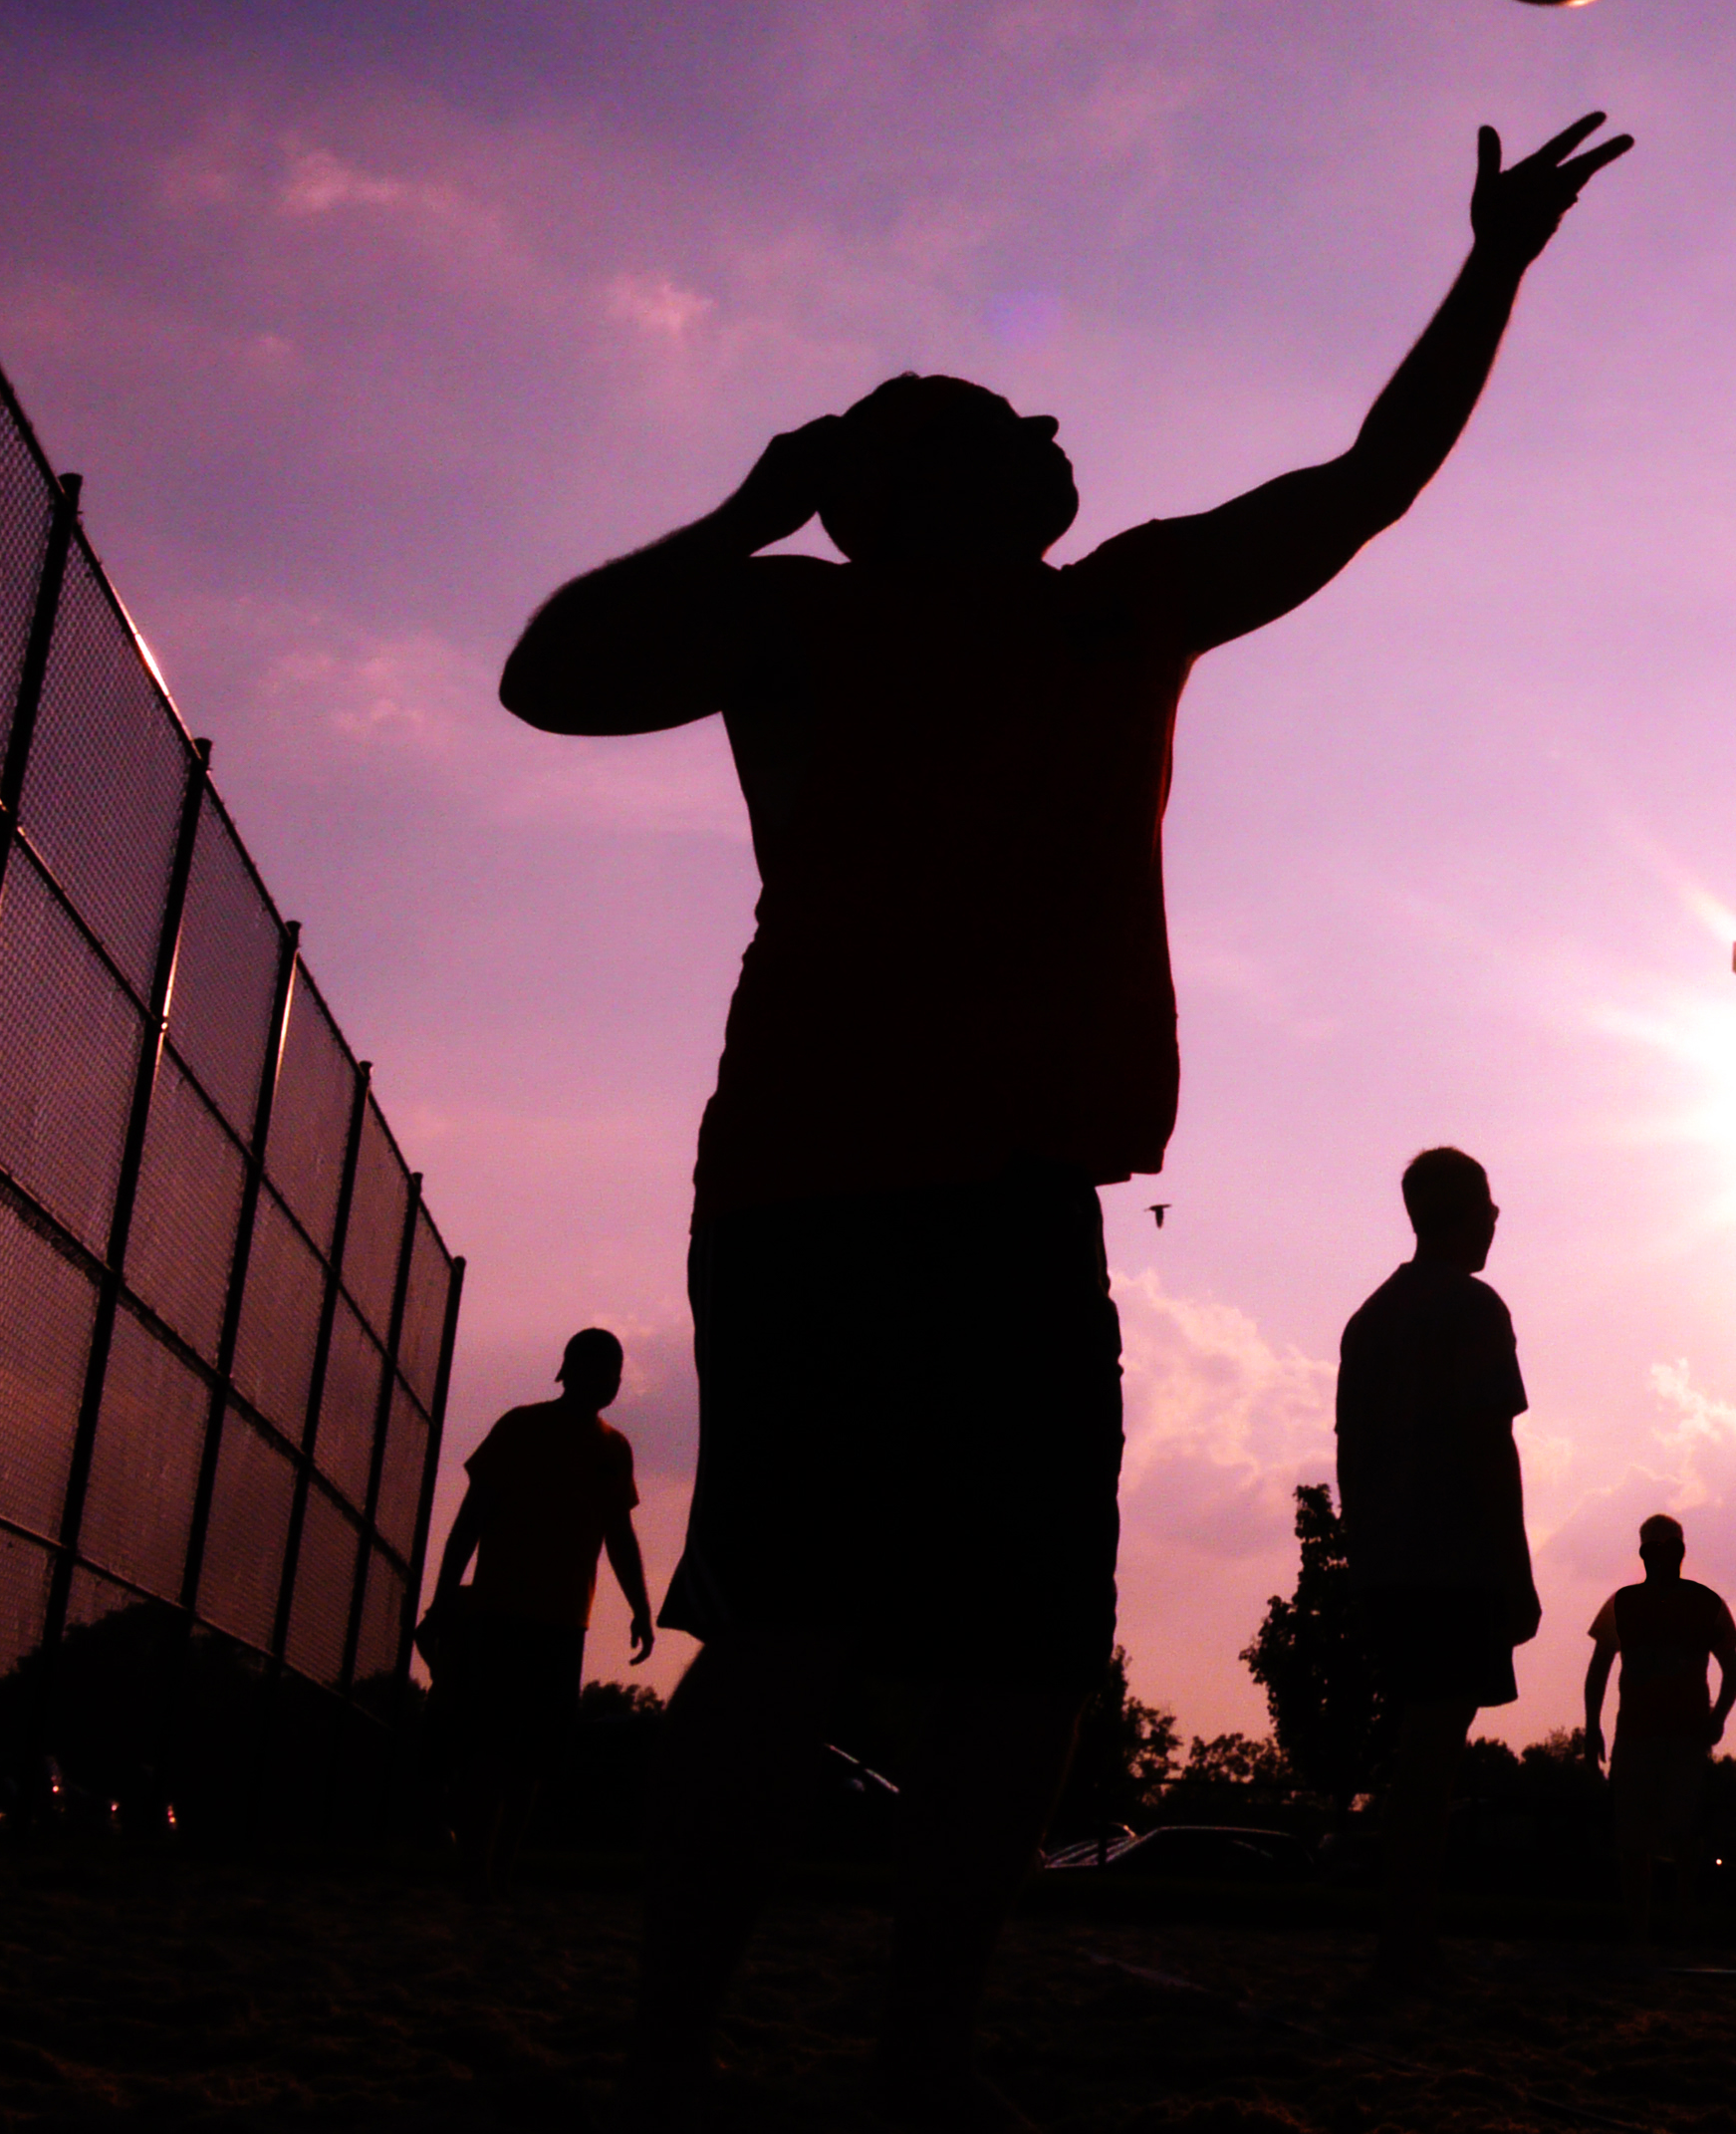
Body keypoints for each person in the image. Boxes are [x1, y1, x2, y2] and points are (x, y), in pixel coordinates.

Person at [499, 116, 1631, 2107]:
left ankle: (881, 2048)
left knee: (993, 1658)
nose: (1015, 414)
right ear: (893, 485)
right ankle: (681, 2053)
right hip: (830, 1187)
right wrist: (755, 504)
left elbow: (1368, 482)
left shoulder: (1104, 606)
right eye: (946, 412)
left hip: (958, 1192)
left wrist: (1490, 267)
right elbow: (546, 675)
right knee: (804, 1635)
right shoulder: (817, 615)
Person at [1335, 1145, 1541, 1992]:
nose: (1498, 1218)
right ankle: (1406, 1945)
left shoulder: (1371, 1318)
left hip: (1391, 1562)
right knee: (1431, 1758)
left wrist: (1364, 1553)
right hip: (1452, 1561)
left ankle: (1405, 1938)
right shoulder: (1472, 1309)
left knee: (1418, 1754)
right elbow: (1492, 1442)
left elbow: (1348, 1452)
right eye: (1487, 1203)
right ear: (1460, 1211)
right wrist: (1516, 1568)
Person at [425, 1327, 653, 1887]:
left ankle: (495, 1871)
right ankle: (477, 1868)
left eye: (614, 1368)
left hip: (565, 1620)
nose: (610, 1378)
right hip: (502, 1612)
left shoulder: (613, 1449)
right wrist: (443, 1599)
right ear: (570, 1370)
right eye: (600, 1366)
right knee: (492, 1749)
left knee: (533, 1759)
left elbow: (618, 1535)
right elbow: (471, 1520)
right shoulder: (521, 1427)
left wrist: (641, 1608)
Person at [1581, 1513, 1736, 1947]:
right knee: (1639, 1839)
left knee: (1680, 1834)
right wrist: (1591, 1725)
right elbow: (1598, 1670)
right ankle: (1644, 1928)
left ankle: (1678, 1924)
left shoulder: (1705, 1603)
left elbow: (1733, 1671)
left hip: (1681, 1734)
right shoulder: (1625, 1603)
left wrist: (1717, 1718)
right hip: (1639, 1733)